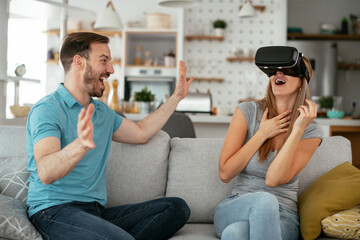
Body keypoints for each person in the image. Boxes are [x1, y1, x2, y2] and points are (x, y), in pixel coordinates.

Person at [26, 32, 193, 240]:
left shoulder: (102, 112)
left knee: (176, 207)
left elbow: (141, 132)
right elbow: (46, 171)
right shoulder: (47, 109)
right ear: (79, 62)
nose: (111, 70)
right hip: (53, 211)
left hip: (94, 212)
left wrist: (176, 97)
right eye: (103, 61)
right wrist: (80, 145)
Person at [213, 46, 323, 240]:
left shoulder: (311, 130)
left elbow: (273, 179)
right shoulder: (247, 111)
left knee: (235, 234)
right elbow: (225, 173)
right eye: (274, 70)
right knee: (264, 201)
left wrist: (297, 129)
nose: (278, 73)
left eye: (287, 70)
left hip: (283, 215)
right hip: (237, 205)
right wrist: (262, 134)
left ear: (301, 83)